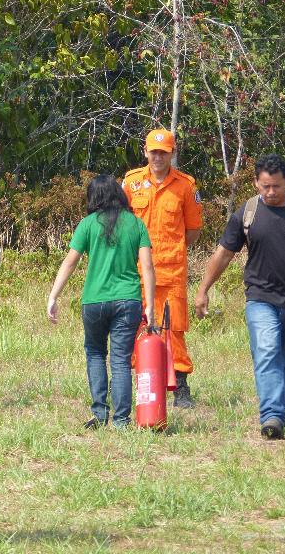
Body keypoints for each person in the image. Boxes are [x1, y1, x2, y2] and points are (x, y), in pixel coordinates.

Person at [193, 153, 285, 439]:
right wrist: (203, 290)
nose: (270, 192)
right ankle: (272, 415)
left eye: (276, 186)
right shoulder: (246, 213)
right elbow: (224, 254)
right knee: (266, 352)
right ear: (255, 183)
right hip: (260, 299)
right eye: (264, 186)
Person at [47, 175, 156, 429]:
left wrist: (53, 296)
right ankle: (121, 420)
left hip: (94, 301)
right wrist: (149, 304)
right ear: (119, 194)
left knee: (95, 353)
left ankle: (99, 414)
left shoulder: (87, 225)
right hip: (128, 300)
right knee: (120, 360)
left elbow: (70, 262)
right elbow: (148, 267)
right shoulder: (137, 224)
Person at [123, 129, 202, 408]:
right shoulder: (131, 183)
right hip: (134, 271)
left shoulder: (186, 186)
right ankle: (137, 381)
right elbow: (121, 222)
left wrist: (173, 248)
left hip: (171, 271)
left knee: (174, 328)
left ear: (173, 153)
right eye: (153, 151)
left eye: (164, 152)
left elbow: (192, 231)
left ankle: (180, 387)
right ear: (145, 151)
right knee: (133, 326)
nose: (158, 157)